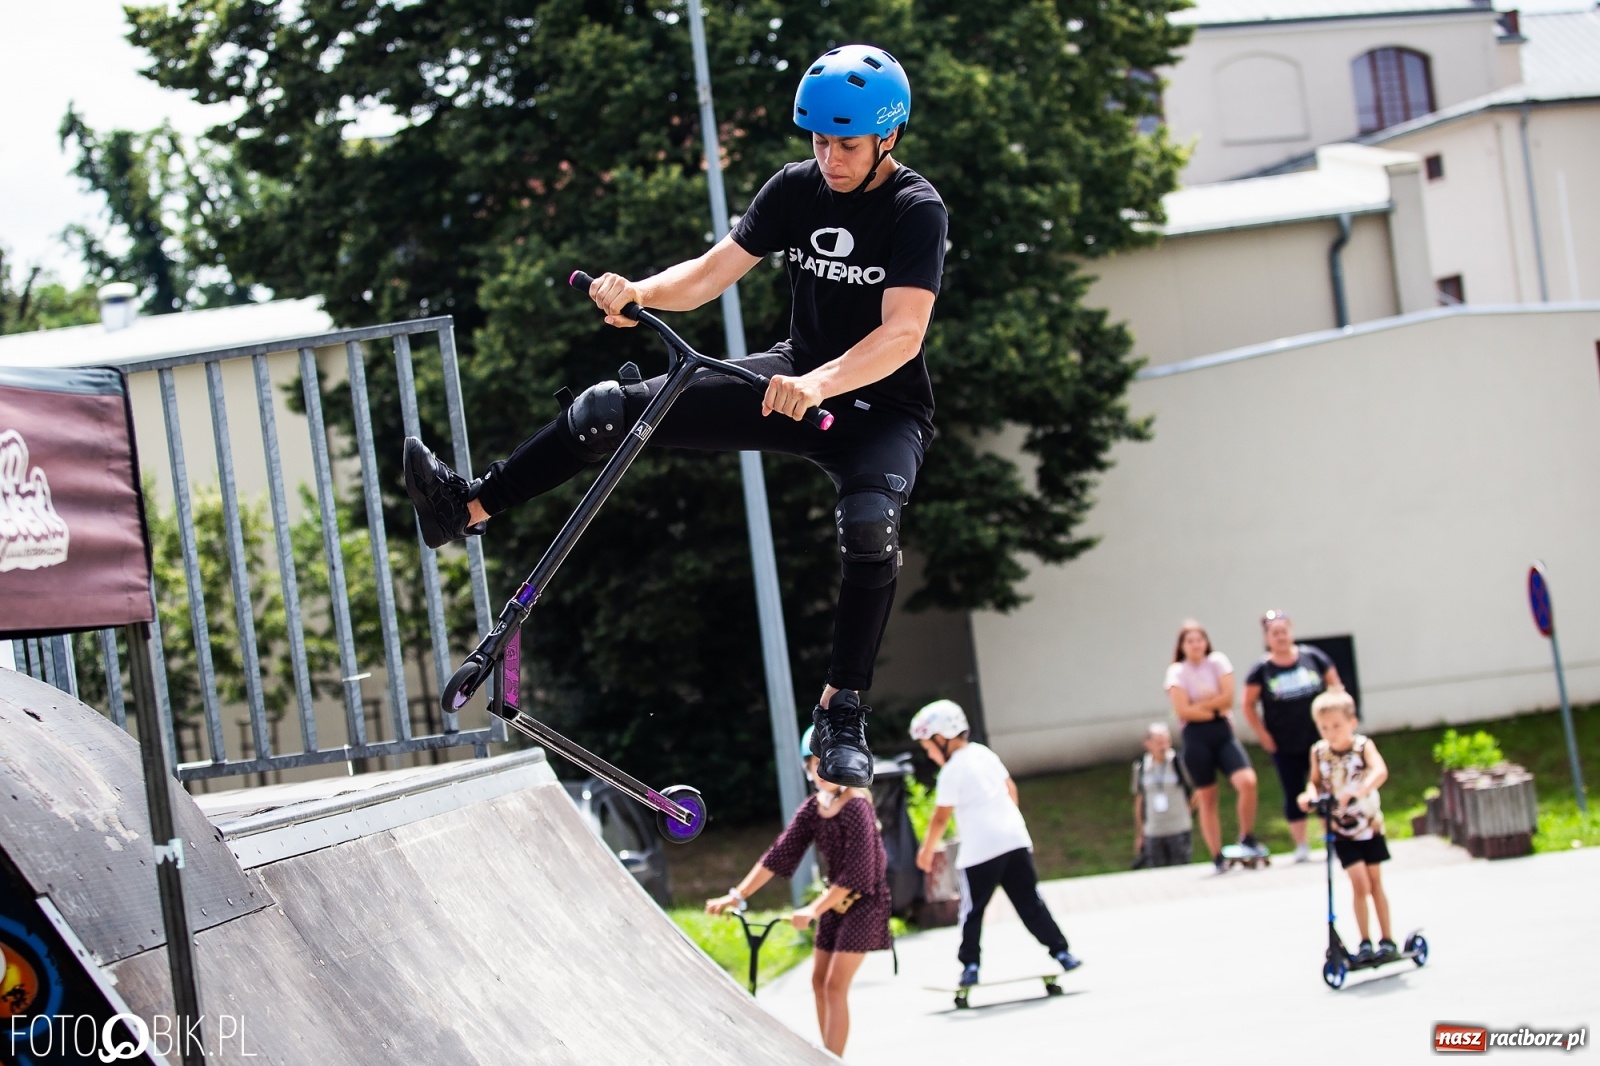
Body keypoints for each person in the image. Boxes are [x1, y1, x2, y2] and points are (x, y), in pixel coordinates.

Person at [401, 44, 945, 789]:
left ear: (889, 136)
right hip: (792, 383)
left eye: (846, 144)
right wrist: (641, 292)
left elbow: (902, 334)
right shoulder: (796, 190)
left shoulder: (915, 209)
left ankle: (842, 712)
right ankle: (463, 506)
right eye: (818, 141)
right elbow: (712, 273)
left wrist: (820, 382)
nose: (829, 158)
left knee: (869, 525)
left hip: (880, 407)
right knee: (604, 412)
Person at [706, 725, 892, 1057]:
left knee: (836, 984)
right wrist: (737, 895)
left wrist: (813, 910)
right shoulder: (813, 808)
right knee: (818, 982)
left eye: (824, 764)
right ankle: (827, 1056)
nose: (817, 772)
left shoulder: (856, 807)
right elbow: (778, 855)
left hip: (865, 903)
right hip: (833, 904)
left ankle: (833, 1061)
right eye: (812, 765)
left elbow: (858, 874)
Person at [909, 699, 1081, 988]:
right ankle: (1062, 952)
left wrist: (926, 851)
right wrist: (1009, 824)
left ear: (941, 739)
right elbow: (1010, 789)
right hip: (1014, 840)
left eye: (928, 746)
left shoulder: (952, 770)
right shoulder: (983, 753)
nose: (929, 754)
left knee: (972, 911)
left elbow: (940, 818)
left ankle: (970, 966)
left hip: (980, 851)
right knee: (1030, 902)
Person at [1297, 689, 1395, 962]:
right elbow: (1314, 782)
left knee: (1375, 882)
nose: (1331, 732)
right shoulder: (1318, 752)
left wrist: (1359, 790)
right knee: (1359, 884)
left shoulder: (1362, 747)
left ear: (1352, 722)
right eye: (1324, 727)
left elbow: (1380, 771)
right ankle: (1365, 940)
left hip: (1369, 824)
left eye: (1337, 726)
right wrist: (1309, 796)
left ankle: (1386, 938)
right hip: (1340, 829)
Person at [1163, 619, 1265, 871]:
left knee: (1247, 781)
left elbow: (1228, 698)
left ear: (1206, 642)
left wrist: (1198, 707)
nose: (1196, 645)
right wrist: (1209, 708)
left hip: (1222, 732)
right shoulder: (1177, 671)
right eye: (1190, 641)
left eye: (1200, 639)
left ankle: (1246, 835)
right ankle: (1216, 854)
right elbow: (1181, 710)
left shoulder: (1217, 662)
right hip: (1196, 737)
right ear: (1182, 646)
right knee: (1208, 797)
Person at [1241, 610, 1342, 862]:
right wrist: (1262, 735)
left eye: (1284, 631)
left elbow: (1335, 686)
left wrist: (1338, 724)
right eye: (1275, 633)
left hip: (1318, 738)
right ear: (1267, 637)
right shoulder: (1261, 670)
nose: (1281, 637)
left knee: (1324, 786)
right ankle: (1301, 845)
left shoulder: (1312, 657)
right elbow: (1248, 704)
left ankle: (1331, 839)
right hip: (1284, 741)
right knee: (1293, 789)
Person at [1130, 723, 1196, 868]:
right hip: (1153, 831)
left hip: (1179, 828)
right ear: (1147, 744)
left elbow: (1197, 791)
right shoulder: (1141, 767)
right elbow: (1139, 801)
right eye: (1159, 742)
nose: (1164, 746)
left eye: (1166, 742)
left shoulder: (1179, 762)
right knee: (1156, 877)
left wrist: (1187, 811)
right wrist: (1140, 833)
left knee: (1181, 872)